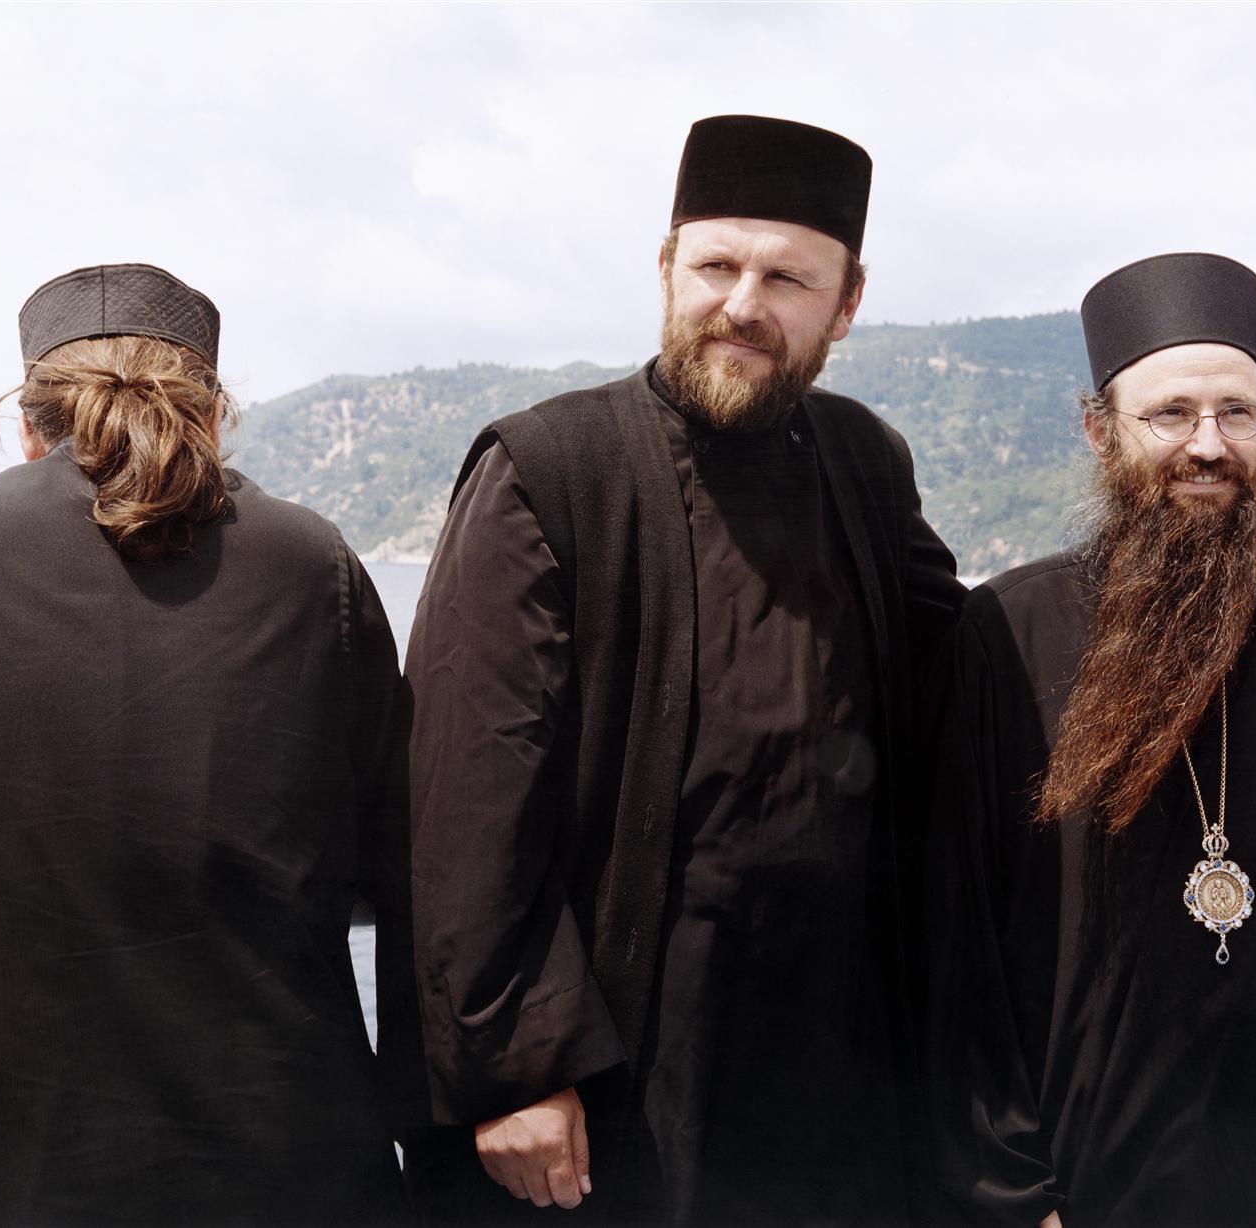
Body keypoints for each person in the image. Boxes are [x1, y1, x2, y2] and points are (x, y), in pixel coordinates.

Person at [406, 114, 964, 1225]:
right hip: (622, 1068)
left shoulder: (866, 461)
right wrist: (517, 1063)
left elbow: (967, 675)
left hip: (833, 1069)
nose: (743, 305)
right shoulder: (549, 467)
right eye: (716, 266)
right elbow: (467, 787)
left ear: (847, 303)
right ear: (666, 267)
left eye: (788, 279)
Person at [0, 264, 424, 1223]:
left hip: (0, 1163)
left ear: (27, 424)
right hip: (292, 1163)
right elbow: (399, 855)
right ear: (212, 418)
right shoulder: (311, 559)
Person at [922, 253, 1256, 1228]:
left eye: (1238, 413)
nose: (1209, 445)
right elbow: (949, 934)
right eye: (1171, 414)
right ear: (1101, 433)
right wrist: (1006, 1188)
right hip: (1073, 1173)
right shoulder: (1005, 634)